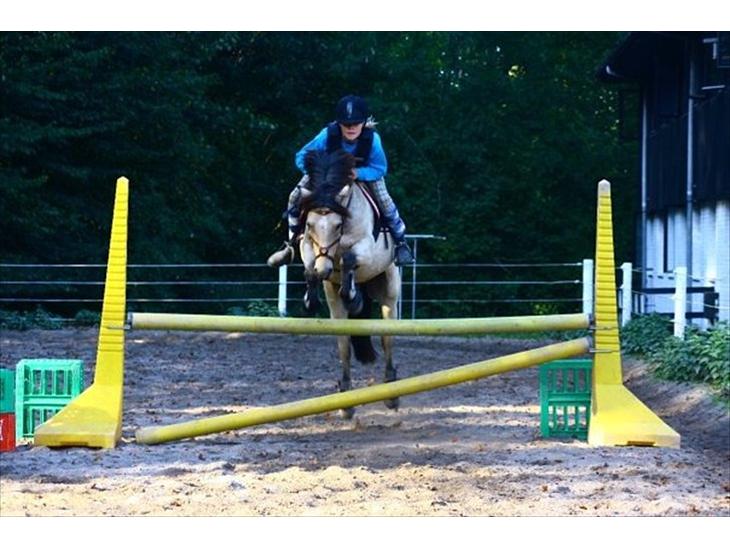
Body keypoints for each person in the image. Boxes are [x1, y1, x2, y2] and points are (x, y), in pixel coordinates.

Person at [267, 95, 415, 268]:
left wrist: (358, 173)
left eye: (356, 123)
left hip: (362, 172)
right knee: (294, 196)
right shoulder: (327, 135)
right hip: (327, 175)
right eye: (346, 124)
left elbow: (380, 168)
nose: (351, 128)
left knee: (385, 200)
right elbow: (301, 156)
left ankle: (400, 242)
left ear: (364, 122)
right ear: (339, 123)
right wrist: (319, 172)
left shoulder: (373, 140)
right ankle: (291, 244)